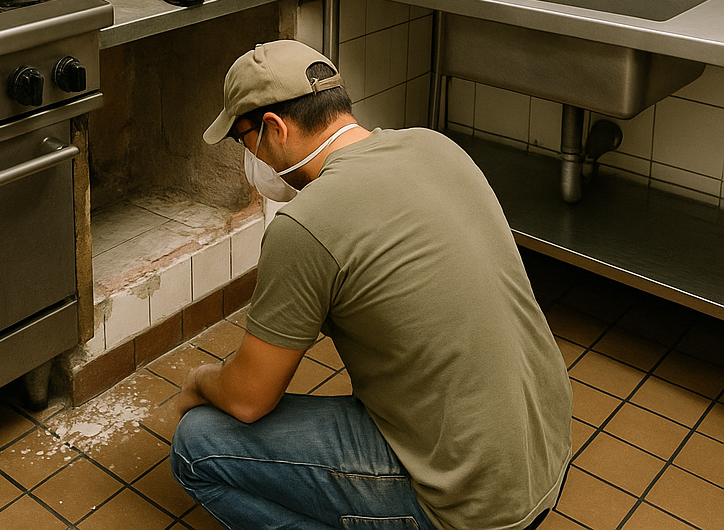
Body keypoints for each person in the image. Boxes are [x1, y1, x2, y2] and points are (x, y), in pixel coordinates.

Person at [170, 39, 572, 530]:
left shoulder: (306, 224)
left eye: (242, 140)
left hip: (469, 502)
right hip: (544, 450)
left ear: (274, 128)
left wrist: (198, 382)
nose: (249, 159)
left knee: (197, 444)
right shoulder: (435, 145)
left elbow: (248, 398)